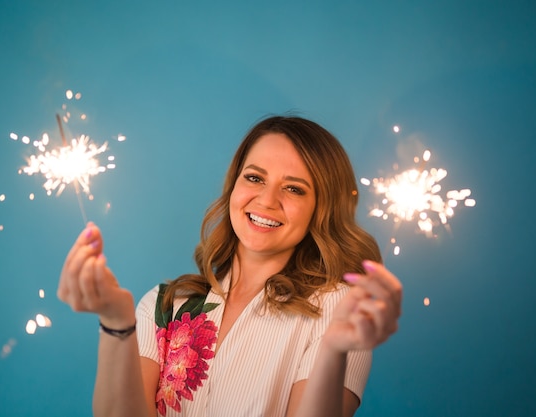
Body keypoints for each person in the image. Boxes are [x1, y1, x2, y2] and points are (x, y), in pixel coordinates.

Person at [58, 116, 403, 417]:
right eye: (254, 178)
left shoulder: (339, 310)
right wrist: (117, 322)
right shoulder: (164, 304)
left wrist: (333, 350)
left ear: (321, 208)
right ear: (233, 186)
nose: (267, 201)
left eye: (294, 189)